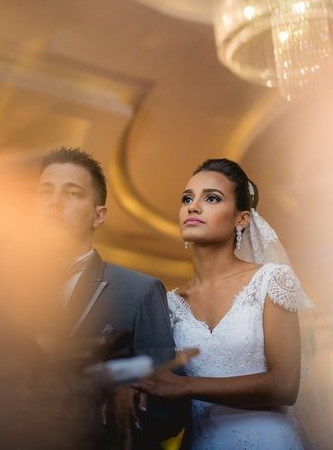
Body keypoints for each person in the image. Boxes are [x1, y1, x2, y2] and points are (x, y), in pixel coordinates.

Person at [134, 158, 313, 449]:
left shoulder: (271, 280)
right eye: (187, 198)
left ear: (241, 219)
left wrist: (185, 387)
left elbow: (285, 385)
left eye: (212, 198)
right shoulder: (168, 304)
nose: (193, 206)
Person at [33, 147, 189, 449]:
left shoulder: (138, 291)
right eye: (45, 191)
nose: (54, 202)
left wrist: (122, 412)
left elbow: (171, 409)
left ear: (99, 215)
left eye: (72, 193)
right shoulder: (1, 290)